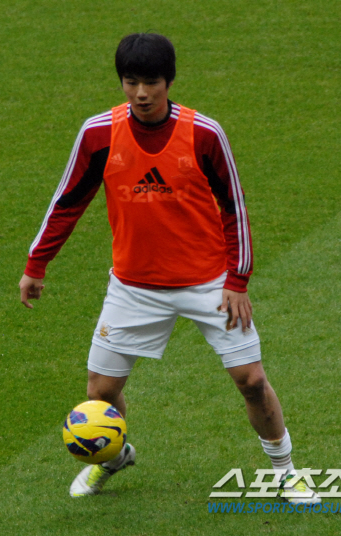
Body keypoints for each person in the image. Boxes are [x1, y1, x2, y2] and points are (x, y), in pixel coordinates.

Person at [19, 33, 320, 503]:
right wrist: (36, 264)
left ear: (170, 81)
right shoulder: (98, 133)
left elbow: (234, 207)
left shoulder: (204, 134)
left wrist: (237, 280)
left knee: (253, 381)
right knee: (100, 393)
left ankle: (285, 472)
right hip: (133, 287)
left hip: (210, 284)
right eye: (131, 82)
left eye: (151, 83)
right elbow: (68, 201)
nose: (141, 93)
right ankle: (114, 457)